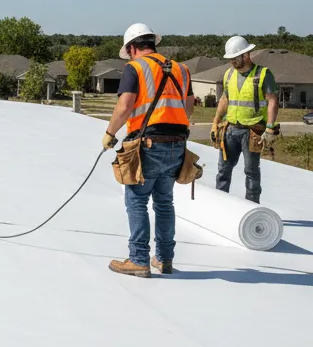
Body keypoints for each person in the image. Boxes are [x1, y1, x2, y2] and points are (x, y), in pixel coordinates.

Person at [102, 23, 195, 278]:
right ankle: (164, 259)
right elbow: (188, 106)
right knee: (164, 203)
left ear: (132, 48)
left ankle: (138, 260)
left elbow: (125, 105)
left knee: (136, 200)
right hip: (177, 144)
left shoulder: (135, 67)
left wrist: (110, 134)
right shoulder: (181, 68)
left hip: (148, 144)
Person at [210, 36, 279, 204]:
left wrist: (269, 128)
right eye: (230, 59)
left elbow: (272, 100)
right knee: (223, 170)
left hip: (252, 131)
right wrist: (215, 122)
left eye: (235, 58)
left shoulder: (263, 74)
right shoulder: (228, 74)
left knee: (251, 171)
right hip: (231, 129)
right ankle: (221, 204)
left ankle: (252, 207)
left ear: (247, 55)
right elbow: (225, 99)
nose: (232, 61)